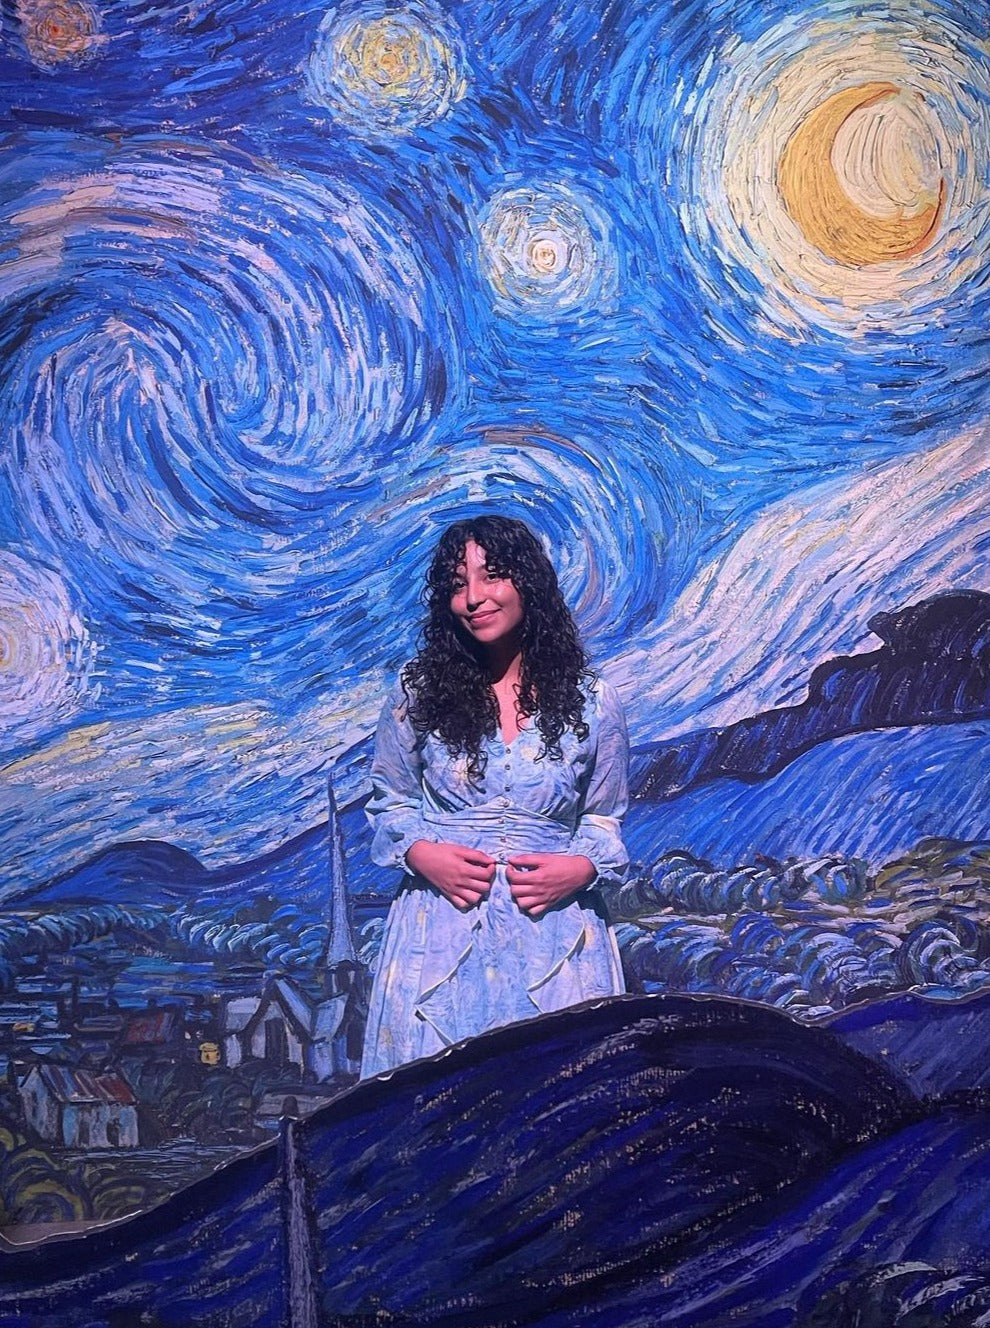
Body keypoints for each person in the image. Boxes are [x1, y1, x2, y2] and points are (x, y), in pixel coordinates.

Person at [360, 514, 629, 1077]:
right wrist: (422, 855)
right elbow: (391, 800)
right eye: (458, 584)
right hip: (437, 932)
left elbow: (603, 817)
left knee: (558, 1101)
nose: (473, 598)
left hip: (556, 936)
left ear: (529, 583)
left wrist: (580, 868)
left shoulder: (593, 702)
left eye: (492, 576)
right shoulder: (418, 692)